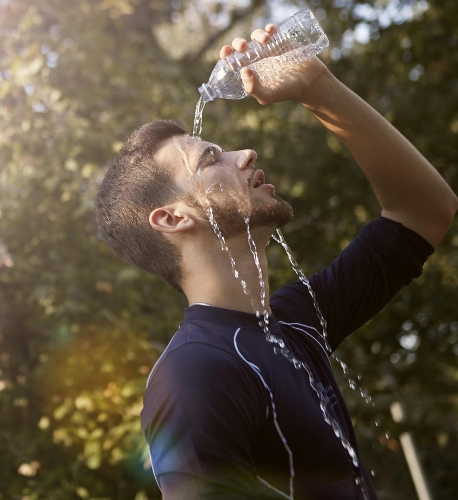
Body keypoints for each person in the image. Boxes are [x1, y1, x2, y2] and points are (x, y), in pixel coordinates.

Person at [94, 22, 458, 500]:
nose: (245, 154)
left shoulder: (297, 320)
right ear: (172, 218)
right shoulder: (193, 373)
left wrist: (316, 86)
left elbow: (424, 210)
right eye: (210, 160)